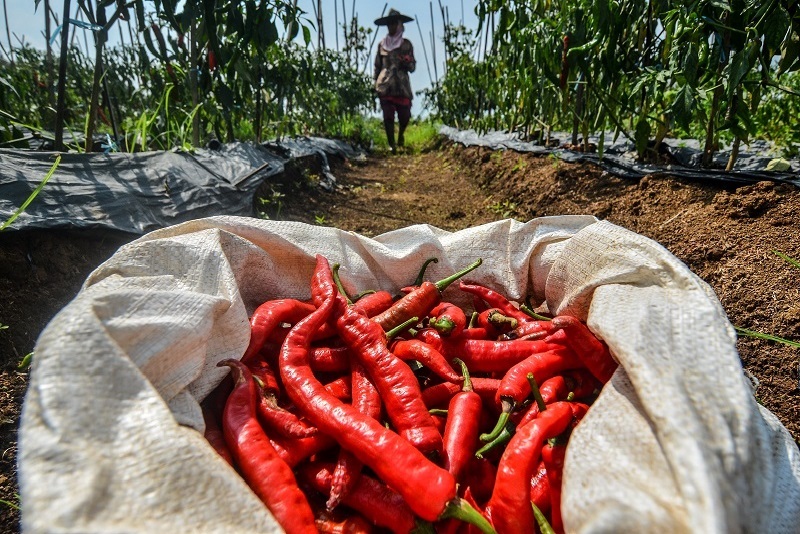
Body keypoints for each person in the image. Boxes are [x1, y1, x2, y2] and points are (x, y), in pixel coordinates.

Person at [373, 9, 416, 154]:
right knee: (388, 115)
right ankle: (391, 144)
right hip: (386, 85)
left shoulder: (406, 45)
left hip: (402, 85)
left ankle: (401, 134)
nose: (391, 27)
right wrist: (375, 83)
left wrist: (406, 62)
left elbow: (412, 66)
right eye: (389, 24)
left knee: (405, 115)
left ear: (399, 25)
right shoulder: (381, 45)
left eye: (394, 24)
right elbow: (377, 66)